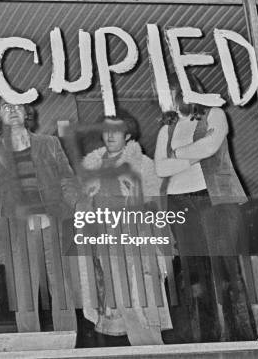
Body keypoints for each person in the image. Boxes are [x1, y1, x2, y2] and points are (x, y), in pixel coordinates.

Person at [154, 73, 257, 343]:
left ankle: (241, 339)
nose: (162, 99)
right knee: (194, 275)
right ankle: (205, 340)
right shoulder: (167, 128)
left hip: (214, 199)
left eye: (166, 92)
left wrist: (176, 155)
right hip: (179, 200)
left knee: (226, 269)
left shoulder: (215, 114)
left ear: (183, 91)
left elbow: (211, 147)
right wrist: (192, 156)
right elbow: (160, 167)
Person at [0, 97, 79, 333]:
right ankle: (31, 349)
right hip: (15, 233)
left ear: (26, 112)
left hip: (53, 227)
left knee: (63, 292)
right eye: (5, 107)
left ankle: (68, 349)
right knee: (24, 297)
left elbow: (68, 182)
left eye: (17, 105)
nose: (12, 110)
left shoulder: (50, 144)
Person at [77, 110, 171, 346]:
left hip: (136, 238)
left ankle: (153, 349)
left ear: (128, 135)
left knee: (144, 299)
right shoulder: (91, 167)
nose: (110, 136)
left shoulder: (143, 164)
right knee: (120, 299)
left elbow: (156, 204)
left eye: (117, 131)